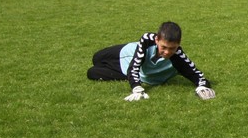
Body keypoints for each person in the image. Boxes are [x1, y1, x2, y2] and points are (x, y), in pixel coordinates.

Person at [87, 21, 215, 101]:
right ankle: (130, 75)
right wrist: (136, 87)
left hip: (130, 71)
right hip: (127, 52)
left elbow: (198, 75)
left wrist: (202, 87)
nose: (167, 52)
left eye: (172, 48)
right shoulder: (147, 39)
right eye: (163, 47)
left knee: (92, 72)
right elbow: (135, 64)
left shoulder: (179, 57)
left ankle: (127, 76)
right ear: (157, 39)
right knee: (97, 58)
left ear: (178, 44)